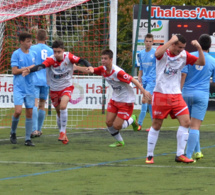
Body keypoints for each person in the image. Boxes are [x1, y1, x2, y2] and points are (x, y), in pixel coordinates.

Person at [145, 34, 205, 164]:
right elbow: (157, 54)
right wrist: (171, 40)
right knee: (156, 125)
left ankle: (180, 155)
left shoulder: (184, 55)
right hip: (161, 94)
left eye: (183, 48)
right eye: (179, 47)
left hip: (176, 95)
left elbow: (201, 62)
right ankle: (150, 155)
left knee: (186, 122)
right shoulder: (163, 51)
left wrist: (199, 48)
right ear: (172, 44)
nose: (181, 50)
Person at [75, 49, 152, 147]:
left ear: (111, 59)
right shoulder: (103, 69)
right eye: (102, 58)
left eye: (105, 59)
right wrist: (76, 67)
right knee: (108, 122)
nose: (103, 60)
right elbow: (90, 70)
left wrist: (144, 91)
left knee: (117, 126)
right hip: (115, 99)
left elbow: (133, 80)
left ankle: (132, 119)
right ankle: (120, 141)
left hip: (126, 100)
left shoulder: (118, 72)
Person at [22, 40, 92, 145]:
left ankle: (63, 132)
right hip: (54, 89)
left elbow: (81, 60)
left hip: (66, 87)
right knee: (59, 113)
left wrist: (89, 66)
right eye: (55, 52)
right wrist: (30, 70)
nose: (56, 54)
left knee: (63, 106)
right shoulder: (51, 59)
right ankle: (62, 133)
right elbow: (41, 66)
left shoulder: (68, 57)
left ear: (63, 51)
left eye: (59, 52)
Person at [181, 34, 215, 161]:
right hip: (201, 94)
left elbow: (183, 75)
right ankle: (188, 156)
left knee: (188, 124)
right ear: (210, 45)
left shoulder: (189, 55)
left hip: (186, 93)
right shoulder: (212, 61)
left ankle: (197, 151)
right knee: (195, 126)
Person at [10, 32, 37, 146]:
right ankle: (13, 132)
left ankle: (27, 139)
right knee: (18, 111)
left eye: (31, 41)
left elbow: (35, 68)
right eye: (27, 41)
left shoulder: (33, 54)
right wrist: (27, 68)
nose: (30, 43)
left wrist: (32, 68)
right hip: (19, 88)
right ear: (21, 42)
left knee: (29, 112)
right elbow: (15, 71)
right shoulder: (16, 54)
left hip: (30, 87)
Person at [30, 29, 53, 138]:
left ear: (36, 37)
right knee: (42, 104)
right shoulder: (51, 50)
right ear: (46, 38)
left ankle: (34, 129)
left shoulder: (32, 48)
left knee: (34, 103)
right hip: (46, 80)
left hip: (34, 79)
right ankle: (39, 129)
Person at [137, 33, 156, 131]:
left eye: (150, 41)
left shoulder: (156, 53)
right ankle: (153, 125)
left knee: (145, 100)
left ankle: (139, 124)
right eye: (146, 41)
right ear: (144, 42)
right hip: (144, 79)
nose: (148, 43)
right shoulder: (141, 53)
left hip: (152, 80)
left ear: (152, 42)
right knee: (149, 102)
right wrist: (139, 76)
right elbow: (141, 67)